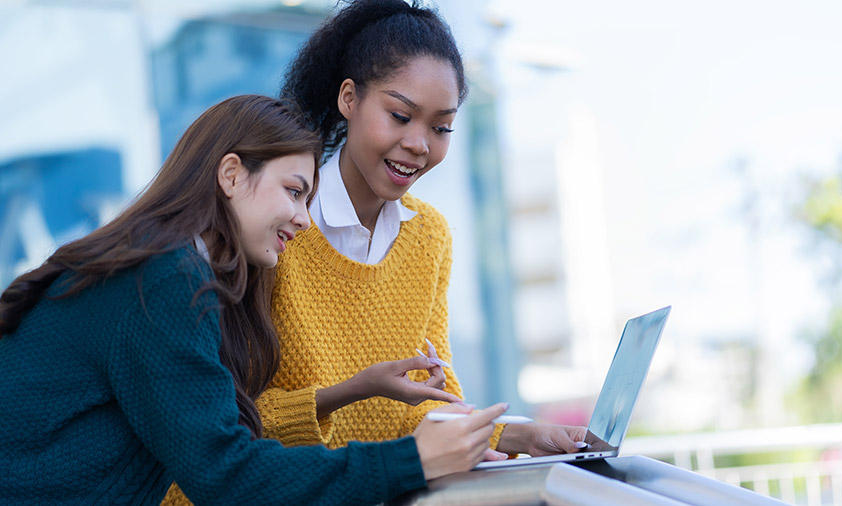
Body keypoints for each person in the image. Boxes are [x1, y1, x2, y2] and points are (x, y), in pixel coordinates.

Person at [0, 94, 507, 506]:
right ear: (231, 175)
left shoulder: (162, 266)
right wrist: (410, 461)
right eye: (292, 191)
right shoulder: (162, 277)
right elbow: (226, 474)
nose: (304, 219)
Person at [265, 0, 588, 465]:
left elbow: (429, 401)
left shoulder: (429, 235)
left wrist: (521, 438)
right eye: (400, 116)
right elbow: (231, 419)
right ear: (349, 99)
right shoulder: (279, 221)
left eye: (441, 127)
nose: (419, 144)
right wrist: (351, 392)